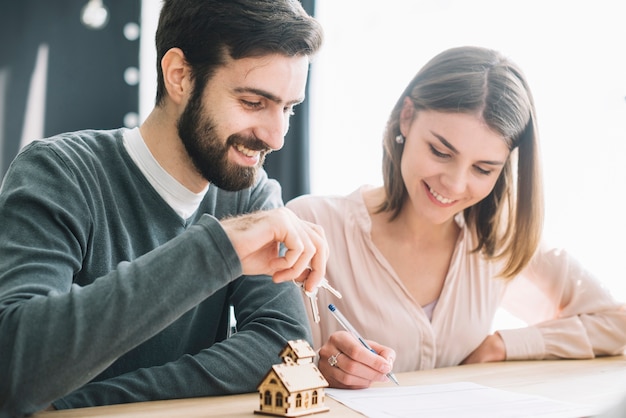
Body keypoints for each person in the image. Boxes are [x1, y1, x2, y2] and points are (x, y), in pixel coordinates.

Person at [0, 1, 327, 416]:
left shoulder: (249, 194)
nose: (276, 137)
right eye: (252, 103)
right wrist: (217, 249)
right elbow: (15, 366)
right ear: (180, 76)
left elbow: (281, 347)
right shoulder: (59, 173)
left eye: (289, 108)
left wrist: (82, 402)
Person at [287, 45, 626, 389]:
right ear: (407, 117)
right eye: (440, 151)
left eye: (483, 168)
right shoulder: (311, 224)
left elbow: (617, 324)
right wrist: (321, 366)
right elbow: (269, 364)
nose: (454, 184)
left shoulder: (498, 242)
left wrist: (502, 345)